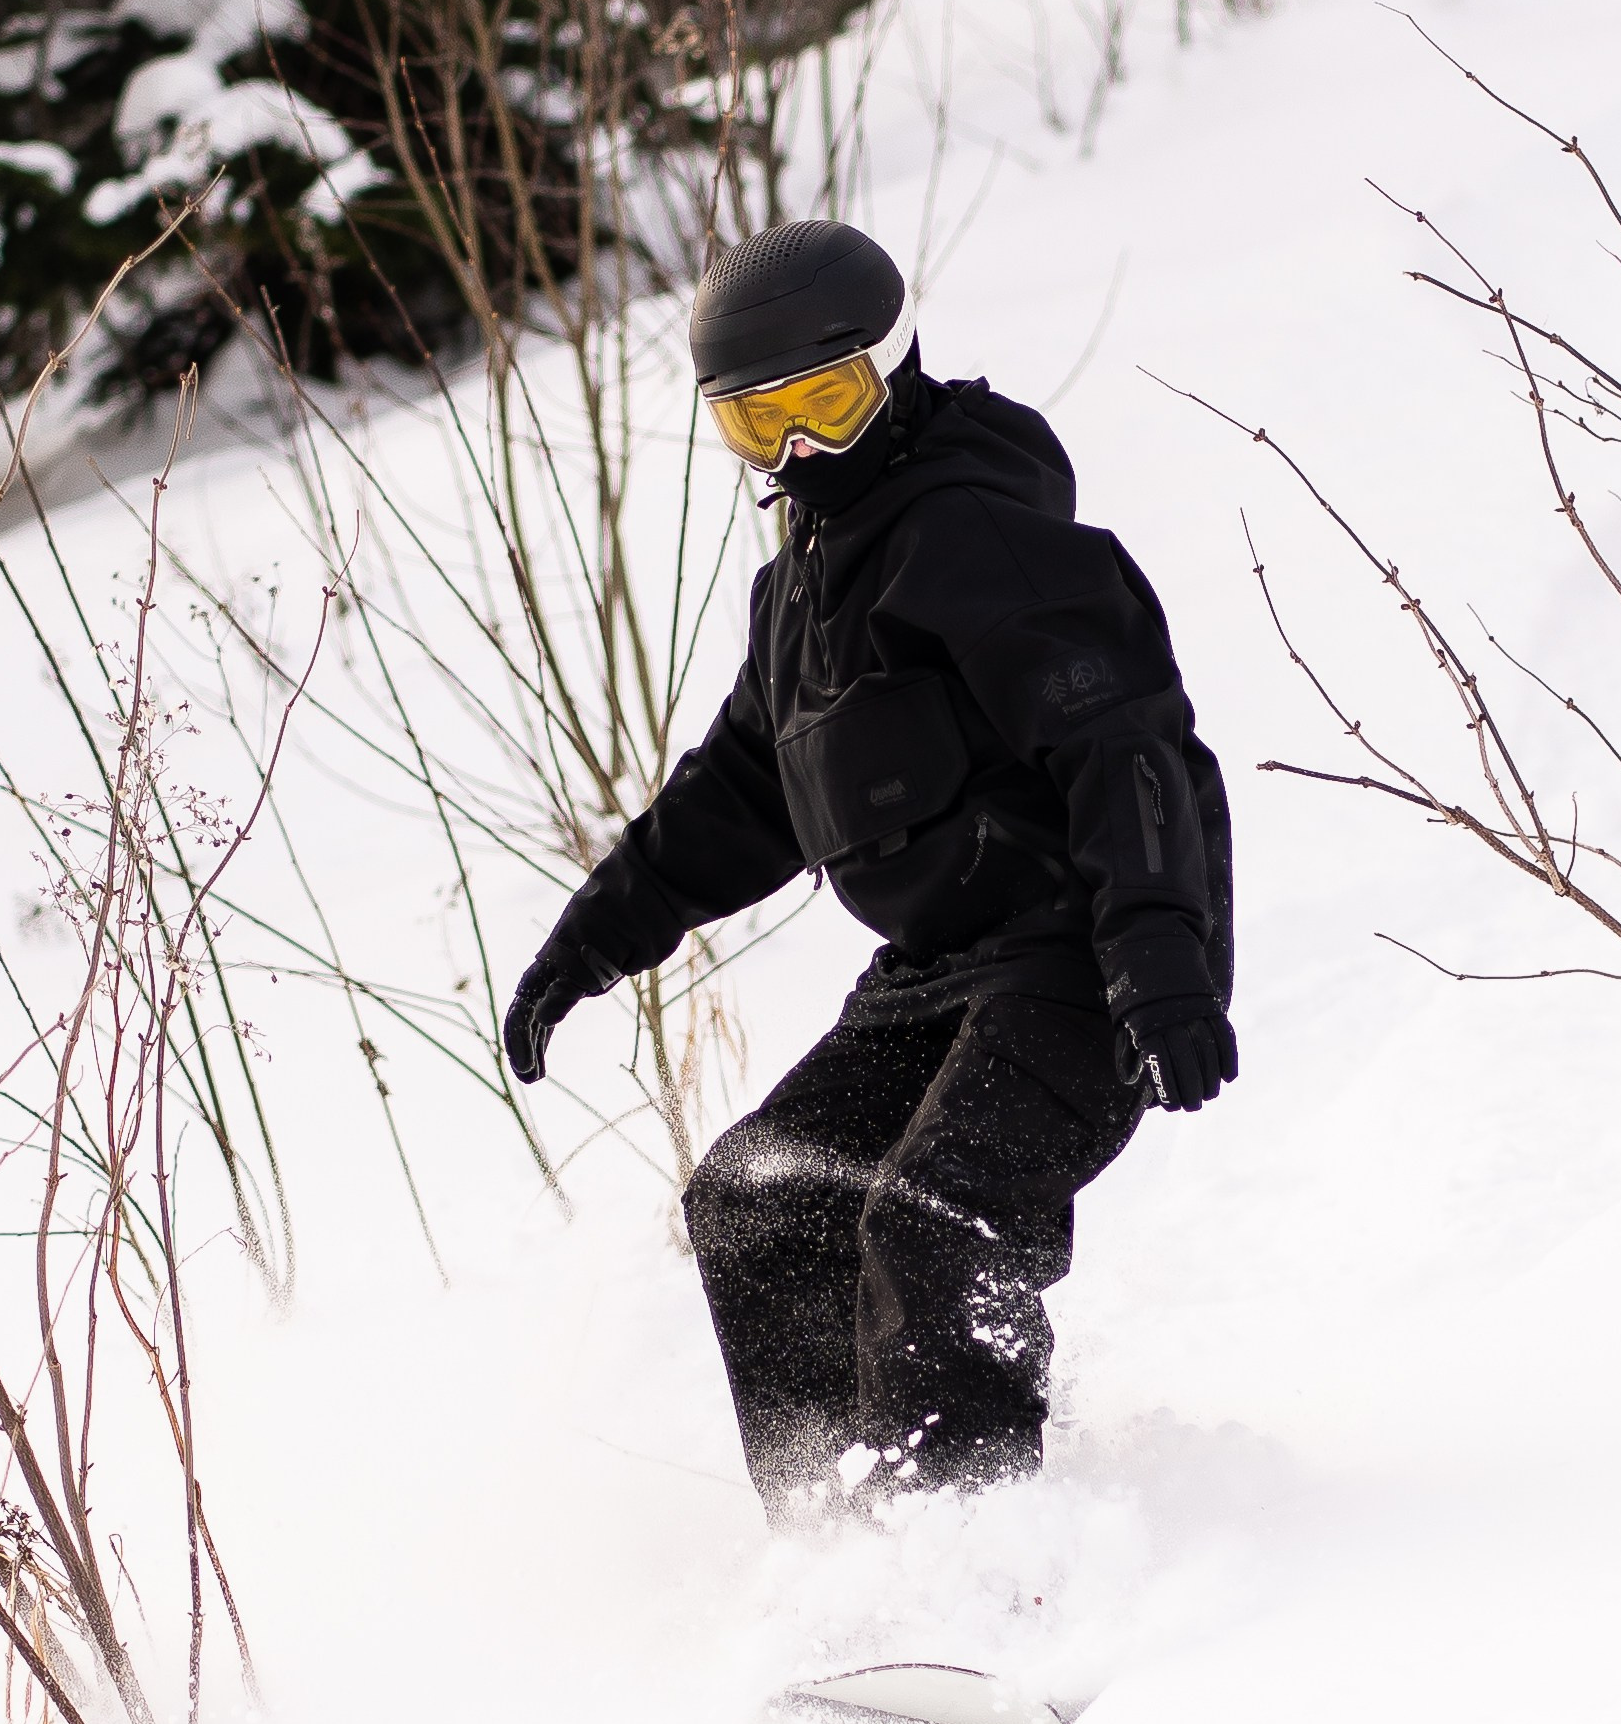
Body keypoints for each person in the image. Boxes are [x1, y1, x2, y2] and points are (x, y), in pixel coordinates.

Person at [503, 219, 1235, 1521]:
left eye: (826, 406)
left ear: (891, 372)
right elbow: (742, 790)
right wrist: (593, 939)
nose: (799, 452)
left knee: (935, 1216)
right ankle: (834, 1537)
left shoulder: (979, 537)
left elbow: (1125, 742)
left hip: (1082, 955)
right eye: (758, 424)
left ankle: (974, 1549)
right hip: (938, 972)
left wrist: (1159, 953)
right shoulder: (800, 595)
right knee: (758, 1204)